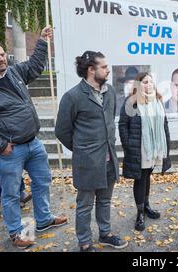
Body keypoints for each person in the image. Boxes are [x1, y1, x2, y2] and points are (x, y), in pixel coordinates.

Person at [0, 26, 67, 249]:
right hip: (10, 150)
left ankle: (44, 219)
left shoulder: (12, 72)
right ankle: (16, 232)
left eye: (3, 54)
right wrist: (0, 146)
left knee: (42, 182)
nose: (2, 58)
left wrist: (42, 42)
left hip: (33, 143)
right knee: (10, 194)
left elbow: (34, 66)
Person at [55, 51, 128, 252]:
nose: (108, 69)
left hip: (108, 159)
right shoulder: (73, 96)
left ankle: (105, 234)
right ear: (91, 69)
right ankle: (85, 243)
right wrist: (82, 149)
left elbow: (109, 120)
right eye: (104, 67)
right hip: (87, 162)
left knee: (105, 200)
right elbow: (62, 130)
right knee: (85, 204)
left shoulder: (110, 91)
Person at [119, 72, 172, 232]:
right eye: (144, 82)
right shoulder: (131, 103)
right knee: (140, 179)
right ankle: (140, 213)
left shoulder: (158, 101)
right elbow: (123, 125)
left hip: (154, 148)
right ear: (138, 85)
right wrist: (128, 145)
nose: (148, 85)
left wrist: (166, 146)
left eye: (150, 82)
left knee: (147, 176)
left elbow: (164, 125)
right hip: (139, 149)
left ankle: (146, 205)